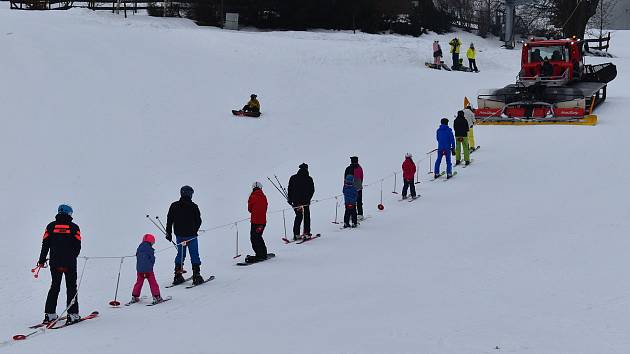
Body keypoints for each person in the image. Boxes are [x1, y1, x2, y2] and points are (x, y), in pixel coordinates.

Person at [38, 204, 82, 325]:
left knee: (54, 287)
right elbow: (78, 246)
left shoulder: (50, 226)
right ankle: (72, 315)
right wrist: (72, 256)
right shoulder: (74, 227)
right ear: (69, 214)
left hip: (55, 262)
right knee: (71, 287)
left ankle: (50, 314)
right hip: (70, 263)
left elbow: (45, 244)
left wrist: (41, 260)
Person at [166, 185, 204, 285]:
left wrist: (168, 233)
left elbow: (169, 220)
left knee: (180, 254)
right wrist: (194, 230)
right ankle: (196, 275)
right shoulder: (194, 206)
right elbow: (199, 221)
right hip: (191, 235)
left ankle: (177, 276)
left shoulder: (174, 205)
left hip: (179, 235)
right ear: (190, 194)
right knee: (194, 254)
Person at [129, 234, 163, 305]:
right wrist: (151, 265)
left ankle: (135, 296)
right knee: (153, 283)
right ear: (151, 242)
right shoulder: (150, 249)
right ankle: (157, 296)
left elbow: (137, 256)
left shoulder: (139, 248)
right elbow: (152, 259)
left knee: (139, 283)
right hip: (148, 270)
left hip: (139, 270)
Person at [287, 163, 315, 240]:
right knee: (306, 216)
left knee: (298, 216)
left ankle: (296, 234)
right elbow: (312, 190)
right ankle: (306, 233)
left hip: (296, 202)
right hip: (305, 202)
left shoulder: (293, 178)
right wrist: (308, 198)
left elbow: (290, 189)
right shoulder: (309, 179)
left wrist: (290, 199)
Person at [246, 182, 268, 262]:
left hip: (255, 222)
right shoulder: (264, 197)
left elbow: (249, 209)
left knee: (254, 238)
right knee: (259, 237)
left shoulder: (252, 197)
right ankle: (263, 253)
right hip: (263, 222)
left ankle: (260, 255)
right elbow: (265, 208)